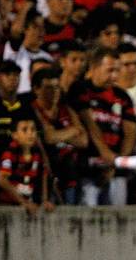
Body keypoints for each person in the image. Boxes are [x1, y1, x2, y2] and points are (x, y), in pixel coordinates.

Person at [68, 47, 136, 206]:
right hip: (87, 168)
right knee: (89, 216)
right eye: (110, 70)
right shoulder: (80, 89)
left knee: (119, 217)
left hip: (116, 170)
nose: (114, 76)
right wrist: (105, 153)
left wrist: (116, 162)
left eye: (117, 71)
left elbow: (130, 132)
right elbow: (89, 124)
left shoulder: (123, 96)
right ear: (94, 68)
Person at [31, 68, 87, 205]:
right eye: (49, 88)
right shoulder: (32, 110)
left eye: (57, 87)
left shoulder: (66, 109)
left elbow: (84, 141)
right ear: (36, 89)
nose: (55, 92)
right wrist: (72, 131)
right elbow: (49, 137)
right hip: (46, 176)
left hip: (71, 174)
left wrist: (59, 135)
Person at [0, 112, 54, 216]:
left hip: (27, 202)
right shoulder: (10, 153)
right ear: (15, 135)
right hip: (7, 206)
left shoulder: (37, 153)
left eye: (33, 129)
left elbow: (44, 174)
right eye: (24, 130)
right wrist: (23, 202)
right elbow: (2, 180)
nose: (30, 133)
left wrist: (45, 200)